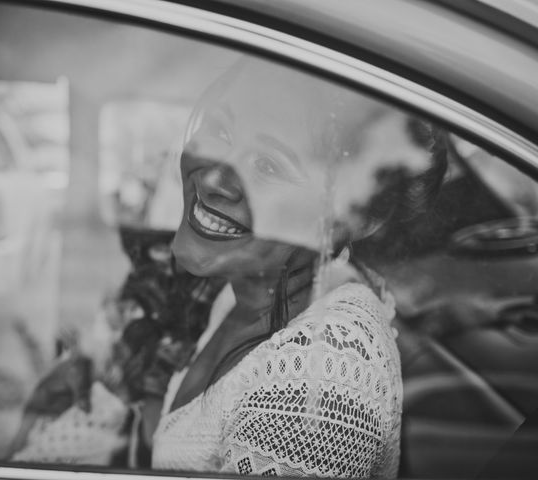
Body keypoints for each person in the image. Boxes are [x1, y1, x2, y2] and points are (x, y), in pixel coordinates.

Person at [149, 57, 446, 478]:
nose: (213, 179)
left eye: (268, 165)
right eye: (220, 130)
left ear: (355, 217)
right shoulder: (249, 290)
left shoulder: (318, 389)